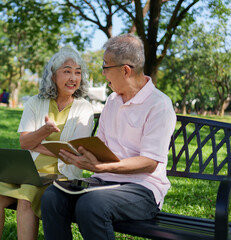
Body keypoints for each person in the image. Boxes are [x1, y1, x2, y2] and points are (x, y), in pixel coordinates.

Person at [41, 34, 177, 240]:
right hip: (102, 182)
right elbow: (100, 145)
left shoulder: (159, 105)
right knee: (52, 196)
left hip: (142, 189)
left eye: (106, 67)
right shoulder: (112, 101)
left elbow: (149, 162)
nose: (103, 73)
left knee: (91, 204)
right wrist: (81, 155)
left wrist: (103, 167)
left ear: (125, 70)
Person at [0, 47, 94, 240]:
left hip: (62, 175)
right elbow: (24, 142)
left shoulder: (84, 108)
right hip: (28, 171)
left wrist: (37, 143)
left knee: (25, 200)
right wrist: (45, 131)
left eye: (77, 72)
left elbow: (75, 153)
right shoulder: (35, 103)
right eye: (67, 71)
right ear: (52, 75)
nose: (73, 78)